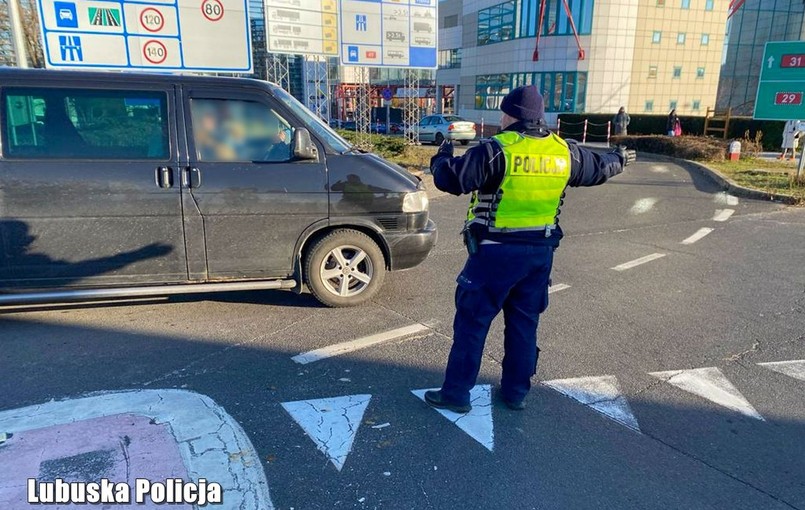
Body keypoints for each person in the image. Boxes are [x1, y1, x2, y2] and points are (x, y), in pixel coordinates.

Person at [424, 85, 636, 413]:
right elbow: (599, 167)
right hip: (539, 256)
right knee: (524, 324)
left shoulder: (499, 149)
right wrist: (619, 159)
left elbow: (451, 180)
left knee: (473, 323)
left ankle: (456, 394)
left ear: (510, 115)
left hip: (494, 253)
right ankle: (515, 393)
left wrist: (441, 156)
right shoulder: (564, 151)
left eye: (503, 112)